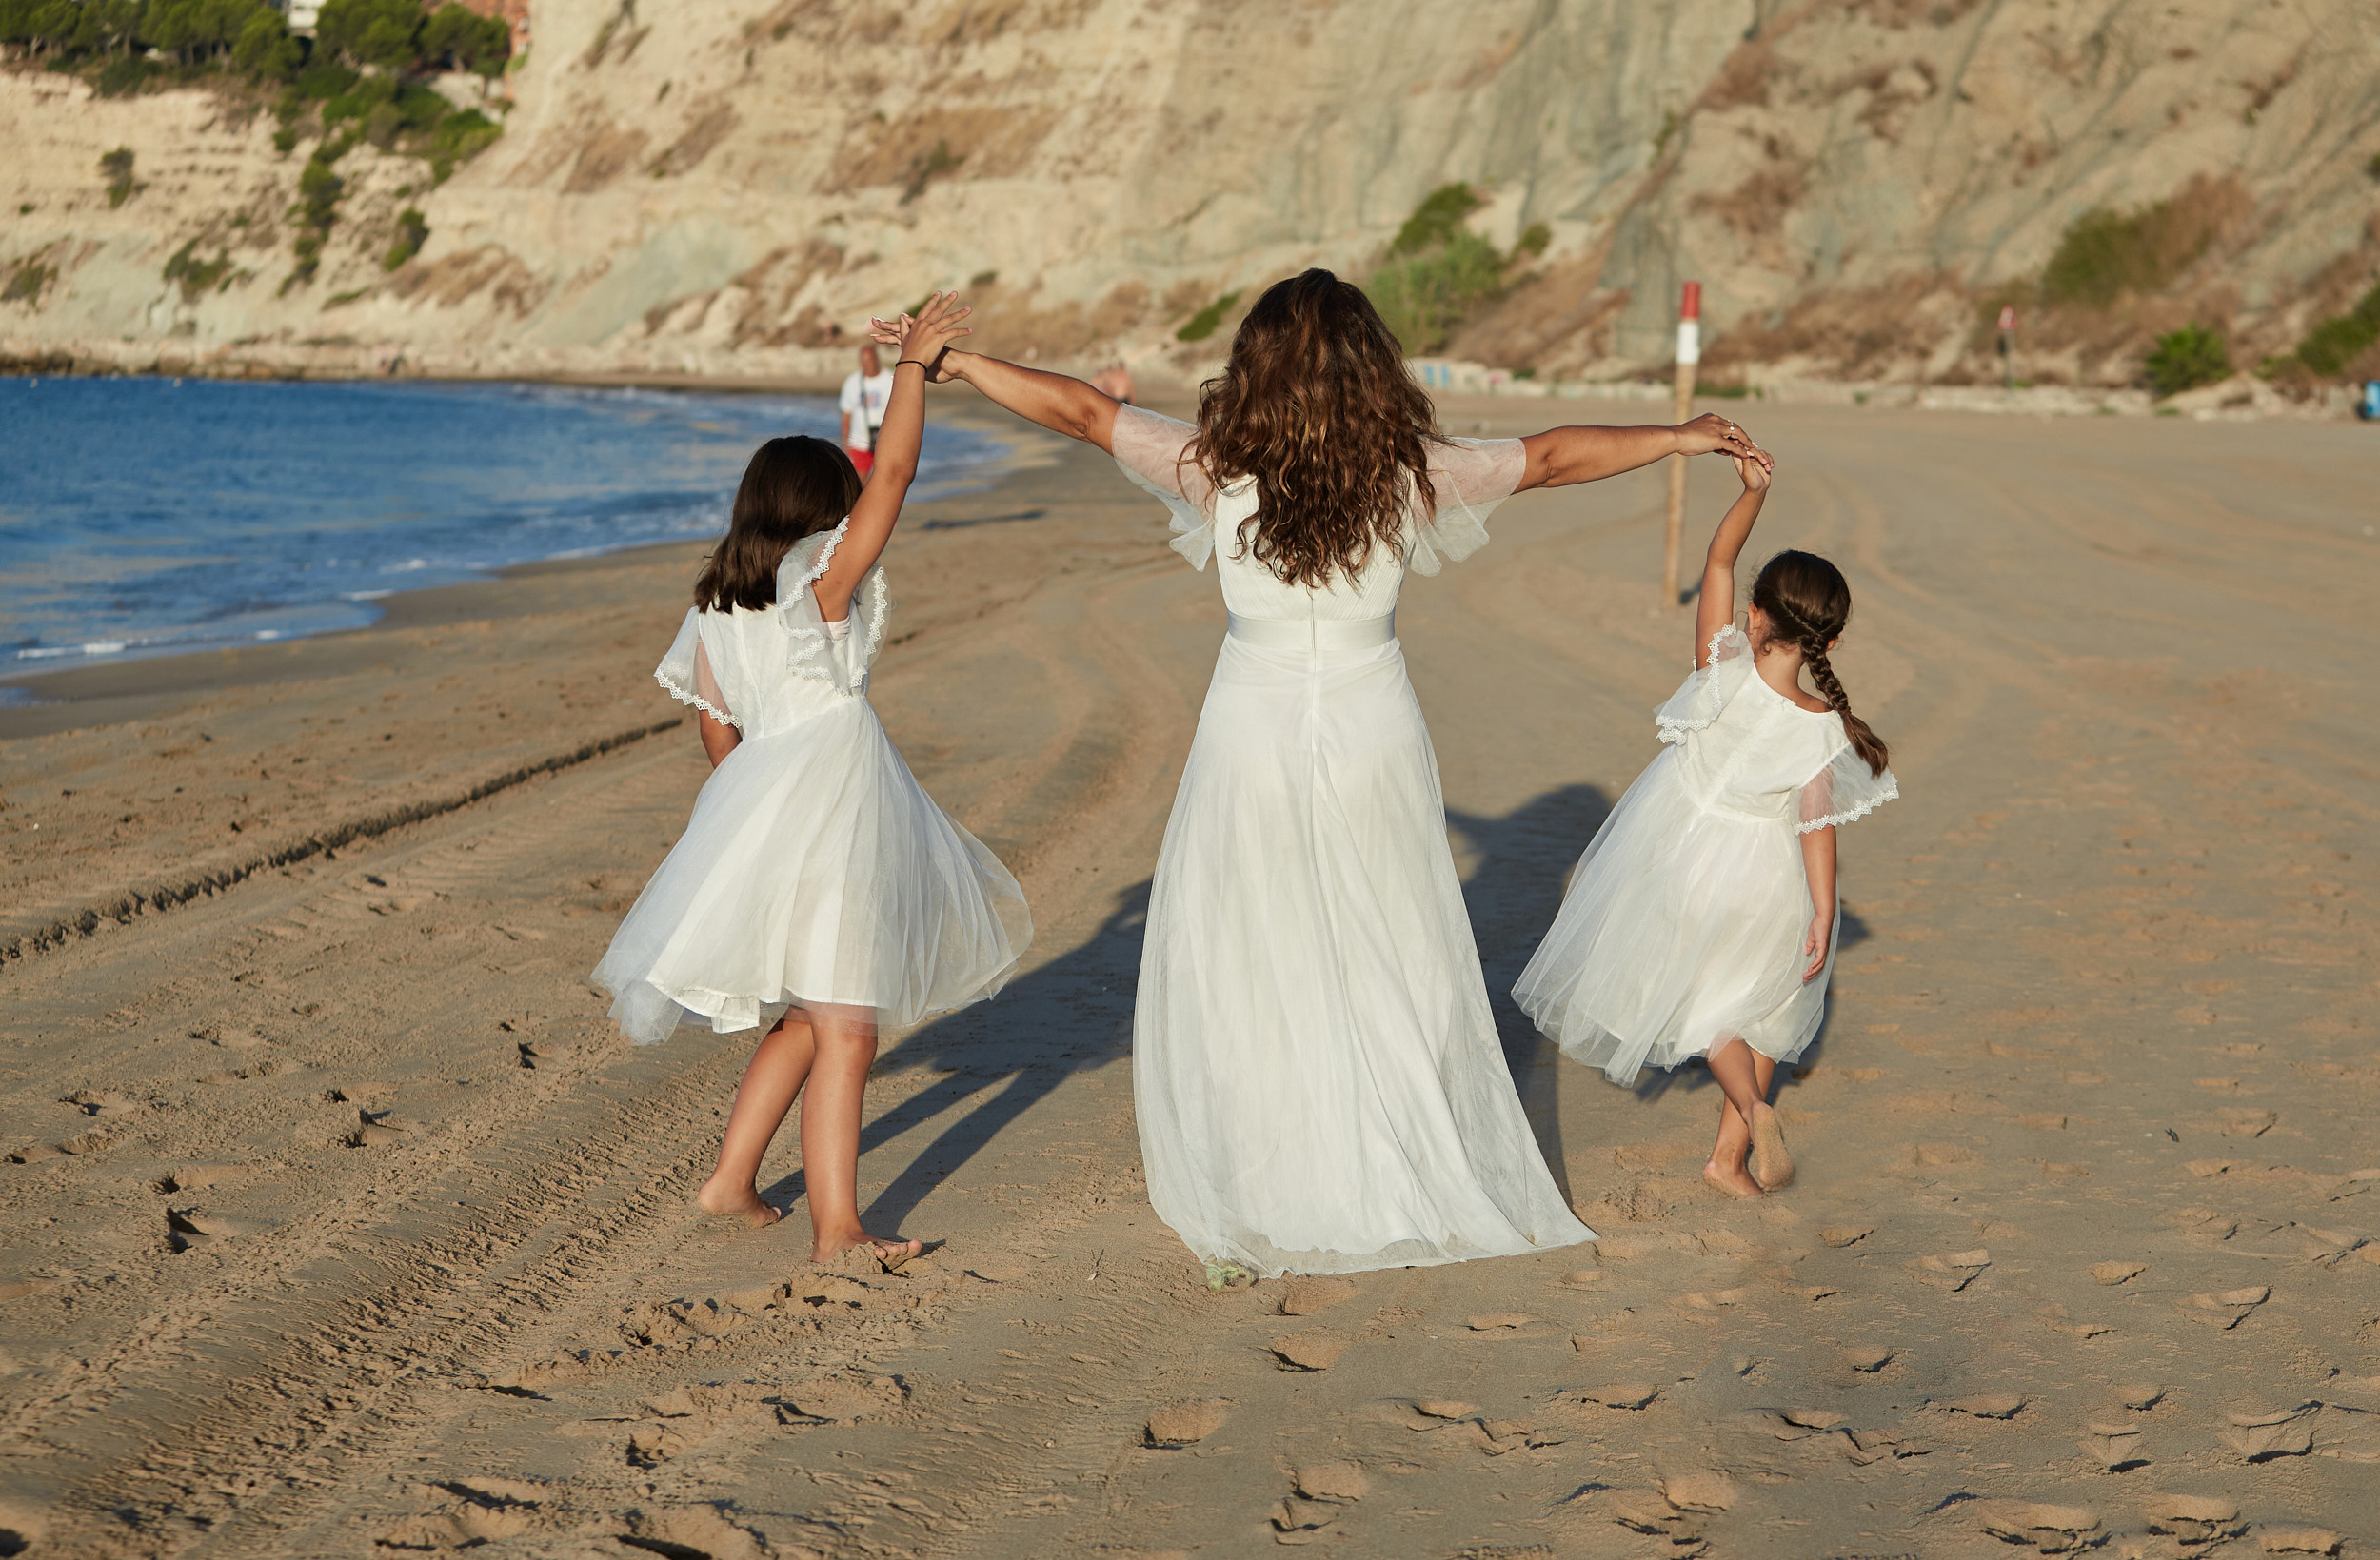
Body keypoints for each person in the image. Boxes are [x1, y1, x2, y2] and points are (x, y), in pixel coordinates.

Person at [874, 269, 1764, 1279]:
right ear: (1373, 369)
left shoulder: (1215, 463)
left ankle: (1274, 1161)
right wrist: (1677, 436)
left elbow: (1082, 412)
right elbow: (1556, 457)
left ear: (1252, 366)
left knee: (1255, 939)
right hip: (1370, 718)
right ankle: (1388, 1148)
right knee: (1388, 934)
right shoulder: (1410, 472)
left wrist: (951, 361)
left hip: (1249, 721)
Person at [593, 294, 1031, 1270]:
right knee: (847, 1025)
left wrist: (752, 810)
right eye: (841, 506)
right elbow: (900, 472)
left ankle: (730, 1181)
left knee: (806, 1010)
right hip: (832, 807)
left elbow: (717, 726)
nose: (851, 522)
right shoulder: (817, 582)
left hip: (760, 803)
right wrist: (911, 368)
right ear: (819, 518)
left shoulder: (718, 604)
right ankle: (839, 1227)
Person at [1511, 456, 1897, 1200]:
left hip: (1681, 855)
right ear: (1832, 642)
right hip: (1766, 876)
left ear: (1753, 618)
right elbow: (1816, 826)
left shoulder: (1720, 666)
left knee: (1707, 1007)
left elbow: (1718, 557)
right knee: (1768, 1014)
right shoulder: (1822, 724)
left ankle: (1752, 1117)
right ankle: (1728, 1157)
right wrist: (1822, 909)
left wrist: (1755, 492)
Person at [838, 345, 893, 477]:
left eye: (869, 360)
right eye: (862, 361)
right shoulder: (852, 382)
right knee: (859, 484)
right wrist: (845, 445)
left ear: (877, 359)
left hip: (885, 442)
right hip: (859, 443)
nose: (865, 364)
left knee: (885, 481)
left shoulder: (890, 380)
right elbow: (846, 416)